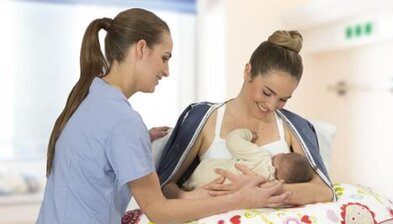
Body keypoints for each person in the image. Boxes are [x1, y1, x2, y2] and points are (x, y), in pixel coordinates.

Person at [36, 8, 290, 224]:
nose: (166, 71)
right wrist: (240, 199)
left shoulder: (92, 98)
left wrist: (139, 142)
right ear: (141, 49)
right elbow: (159, 211)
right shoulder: (123, 121)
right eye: (164, 58)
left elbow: (96, 153)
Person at [159, 30, 335, 205]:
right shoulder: (205, 118)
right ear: (248, 71)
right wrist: (190, 196)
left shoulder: (292, 127)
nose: (271, 106)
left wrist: (263, 189)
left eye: (283, 99)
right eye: (267, 92)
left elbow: (323, 190)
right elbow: (164, 186)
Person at [182, 128, 314, 190]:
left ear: (279, 157)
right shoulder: (270, 187)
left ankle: (185, 185)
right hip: (215, 193)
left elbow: (232, 141)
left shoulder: (261, 157)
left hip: (208, 173)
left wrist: (247, 133)